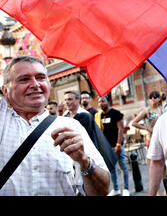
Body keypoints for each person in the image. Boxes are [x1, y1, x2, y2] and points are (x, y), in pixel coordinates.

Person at [0, 56, 110, 196]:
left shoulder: (71, 126)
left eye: (40, 77)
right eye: (24, 79)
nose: (35, 84)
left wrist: (83, 161)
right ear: (5, 91)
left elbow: (102, 191)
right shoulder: (2, 119)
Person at [97, 95, 130, 196]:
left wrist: (119, 144)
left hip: (117, 145)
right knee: (112, 169)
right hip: (107, 147)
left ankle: (126, 189)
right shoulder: (99, 116)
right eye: (99, 102)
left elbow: (121, 129)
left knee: (123, 167)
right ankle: (116, 189)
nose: (100, 104)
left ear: (108, 101)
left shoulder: (116, 113)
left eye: (103, 101)